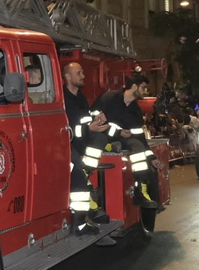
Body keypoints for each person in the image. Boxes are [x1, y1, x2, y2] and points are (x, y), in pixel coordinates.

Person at [92, 73, 162, 216]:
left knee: (137, 146)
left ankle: (141, 191)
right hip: (99, 137)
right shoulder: (109, 98)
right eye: (143, 88)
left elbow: (140, 136)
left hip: (121, 140)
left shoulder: (135, 110)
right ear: (134, 86)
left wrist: (152, 157)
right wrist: (118, 133)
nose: (145, 91)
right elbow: (94, 120)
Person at [61, 62, 111, 242]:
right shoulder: (62, 98)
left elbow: (82, 122)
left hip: (80, 143)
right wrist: (89, 127)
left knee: (102, 138)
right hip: (66, 144)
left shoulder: (80, 98)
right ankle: (80, 223)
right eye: (79, 72)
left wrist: (95, 120)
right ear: (67, 76)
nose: (83, 76)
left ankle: (86, 172)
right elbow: (68, 129)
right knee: (80, 182)